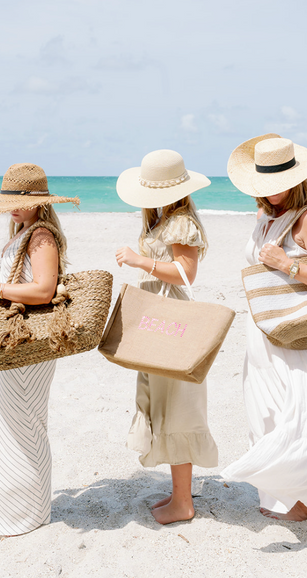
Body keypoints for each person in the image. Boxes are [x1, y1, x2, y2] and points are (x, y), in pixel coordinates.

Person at [221, 134, 307, 521]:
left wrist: (286, 264)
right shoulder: (264, 215)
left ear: (296, 179)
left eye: (278, 184)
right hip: (262, 330)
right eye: (265, 185)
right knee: (266, 411)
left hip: (297, 331)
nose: (272, 192)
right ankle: (278, 497)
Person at [0, 163, 79, 537]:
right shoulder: (24, 232)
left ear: (39, 203)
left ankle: (27, 511)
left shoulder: (41, 237)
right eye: (8, 200)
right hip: (15, 339)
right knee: (6, 420)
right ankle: (11, 508)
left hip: (28, 342)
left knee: (23, 422)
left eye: (20, 200)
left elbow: (44, 291)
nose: (12, 206)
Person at [115, 149, 218, 524]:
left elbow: (186, 273)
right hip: (157, 316)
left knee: (177, 405)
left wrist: (139, 260)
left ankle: (183, 502)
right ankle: (179, 495)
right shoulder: (165, 219)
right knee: (162, 400)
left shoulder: (180, 223)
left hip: (171, 320)